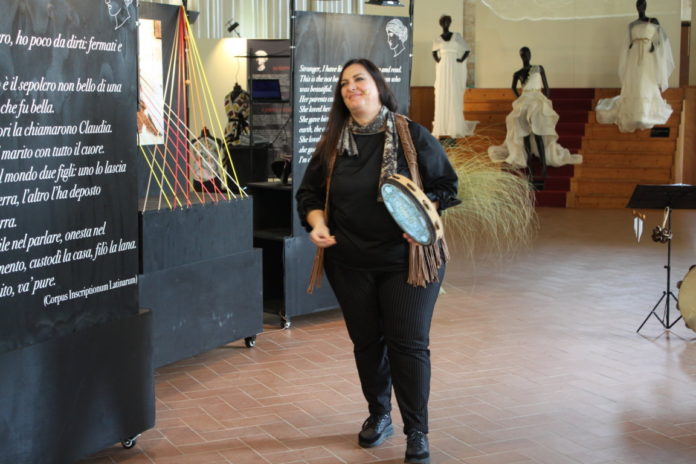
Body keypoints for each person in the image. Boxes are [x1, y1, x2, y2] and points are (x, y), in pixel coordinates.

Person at [296, 58, 459, 464]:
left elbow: (446, 187)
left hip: (409, 261)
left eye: (360, 80)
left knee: (408, 345)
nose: (351, 88)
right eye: (345, 83)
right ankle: (379, 414)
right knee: (368, 344)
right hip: (349, 262)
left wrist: (424, 215)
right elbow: (310, 196)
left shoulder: (411, 135)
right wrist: (316, 225)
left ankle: (416, 431)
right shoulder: (334, 142)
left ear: (378, 86)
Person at [488, 47, 582, 181]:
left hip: (538, 101)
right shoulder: (518, 73)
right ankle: (530, 163)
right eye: (523, 54)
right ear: (520, 56)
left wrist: (546, 100)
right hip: (525, 102)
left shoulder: (538, 68)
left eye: (527, 54)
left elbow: (546, 86)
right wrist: (519, 97)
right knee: (524, 133)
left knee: (539, 134)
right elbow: (513, 87)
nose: (526, 56)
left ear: (530, 55)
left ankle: (543, 166)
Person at [595, 0, 674, 133]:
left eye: (642, 4)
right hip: (634, 55)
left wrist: (655, 45)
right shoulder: (631, 25)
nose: (640, 7)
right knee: (635, 80)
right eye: (638, 5)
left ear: (646, 6)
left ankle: (645, 112)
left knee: (646, 80)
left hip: (648, 55)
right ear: (636, 7)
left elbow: (663, 39)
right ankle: (634, 112)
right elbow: (628, 43)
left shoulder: (653, 20)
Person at [431, 15, 477, 138]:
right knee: (443, 93)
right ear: (441, 24)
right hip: (443, 68)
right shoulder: (437, 39)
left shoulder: (457, 37)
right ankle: (443, 126)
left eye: (447, 21)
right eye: (443, 22)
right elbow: (434, 53)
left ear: (450, 23)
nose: (445, 23)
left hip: (454, 67)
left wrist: (460, 60)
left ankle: (454, 126)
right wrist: (439, 61)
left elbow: (467, 50)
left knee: (453, 93)